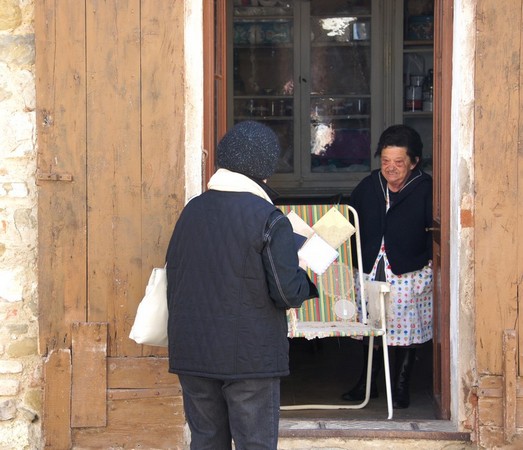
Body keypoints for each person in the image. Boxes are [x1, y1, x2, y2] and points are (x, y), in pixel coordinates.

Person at [165, 121, 318, 450]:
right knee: (256, 445)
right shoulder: (270, 218)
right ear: (264, 169)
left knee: (206, 442)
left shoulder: (191, 210)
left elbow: (175, 274)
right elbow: (287, 292)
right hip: (249, 357)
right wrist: (304, 268)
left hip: (192, 351)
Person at [342, 124, 433, 409]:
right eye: (385, 161)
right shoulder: (370, 185)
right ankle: (367, 383)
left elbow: (437, 230)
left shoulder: (425, 188)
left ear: (414, 162)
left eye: (398, 162)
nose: (390, 169)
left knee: (405, 329)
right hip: (372, 265)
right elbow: (348, 219)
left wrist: (430, 264)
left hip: (408, 267)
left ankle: (401, 384)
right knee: (372, 325)